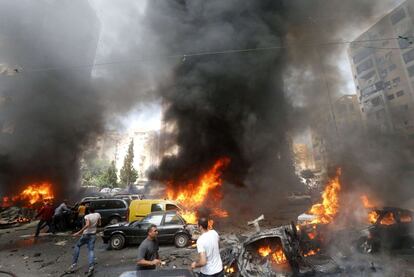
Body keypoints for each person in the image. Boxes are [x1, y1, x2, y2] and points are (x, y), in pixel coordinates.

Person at [68, 206, 101, 275]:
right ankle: (91, 267)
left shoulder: (87, 216)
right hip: (93, 235)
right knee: (91, 250)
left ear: (88, 211)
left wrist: (78, 232)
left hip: (86, 234)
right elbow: (99, 224)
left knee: (77, 246)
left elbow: (87, 224)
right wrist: (94, 226)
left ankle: (74, 265)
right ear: (94, 210)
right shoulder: (98, 214)